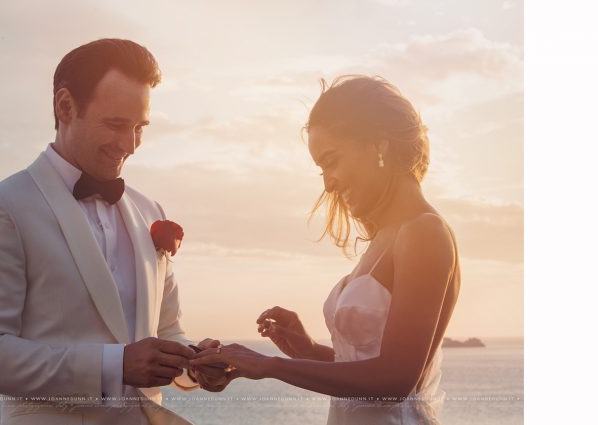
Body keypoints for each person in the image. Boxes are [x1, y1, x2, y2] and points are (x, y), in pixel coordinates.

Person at [0, 38, 227, 425]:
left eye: (139, 128)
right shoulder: (1, 209)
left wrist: (195, 361)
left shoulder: (150, 210)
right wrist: (116, 364)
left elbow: (167, 330)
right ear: (65, 106)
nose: (130, 145)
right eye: (116, 125)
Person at [191, 75, 461, 424]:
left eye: (331, 161)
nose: (328, 182)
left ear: (379, 146)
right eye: (321, 168)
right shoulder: (387, 237)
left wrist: (269, 366)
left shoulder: (425, 232)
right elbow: (365, 370)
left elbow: (395, 381)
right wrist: (308, 351)